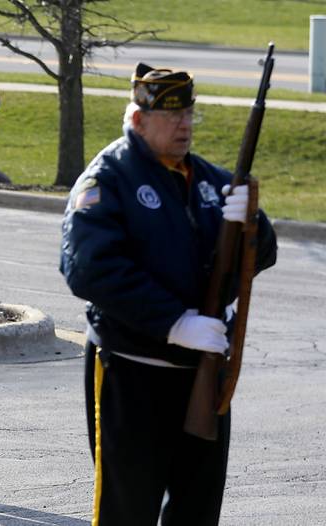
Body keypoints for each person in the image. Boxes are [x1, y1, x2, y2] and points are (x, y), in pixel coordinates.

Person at [59, 63, 277, 525]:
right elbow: (88, 269)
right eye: (171, 116)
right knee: (127, 508)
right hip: (134, 371)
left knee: (197, 509)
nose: (184, 126)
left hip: (203, 371)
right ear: (138, 119)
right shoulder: (108, 179)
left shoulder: (208, 180)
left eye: (189, 115)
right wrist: (174, 323)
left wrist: (254, 224)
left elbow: (258, 256)